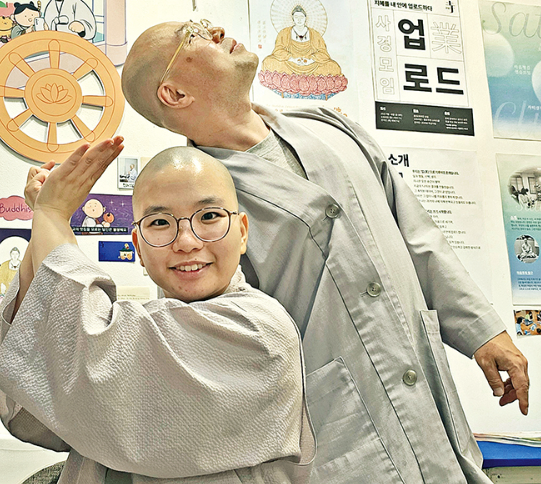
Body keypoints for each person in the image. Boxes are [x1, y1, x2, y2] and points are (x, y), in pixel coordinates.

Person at [121, 21, 530, 483]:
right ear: (174, 94)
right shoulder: (196, 202)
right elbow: (212, 338)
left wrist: (482, 331)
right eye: (193, 35)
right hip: (335, 434)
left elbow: (416, 235)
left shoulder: (328, 126)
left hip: (429, 408)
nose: (214, 30)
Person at [0, 143, 314, 483]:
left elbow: (85, 364)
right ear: (138, 248)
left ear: (242, 232)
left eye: (209, 216)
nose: (187, 241)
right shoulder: (149, 325)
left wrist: (52, 214)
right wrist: (46, 216)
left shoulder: (258, 330)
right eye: (159, 222)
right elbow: (42, 403)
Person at [261, 6, 342, 77]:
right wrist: (292, 59)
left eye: (301, 17)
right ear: (292, 18)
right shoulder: (284, 33)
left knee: (333, 66)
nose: (299, 20)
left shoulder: (314, 34)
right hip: (290, 63)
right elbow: (278, 50)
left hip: (311, 64)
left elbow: (323, 52)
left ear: (306, 18)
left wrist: (311, 60)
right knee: (268, 62)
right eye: (296, 17)